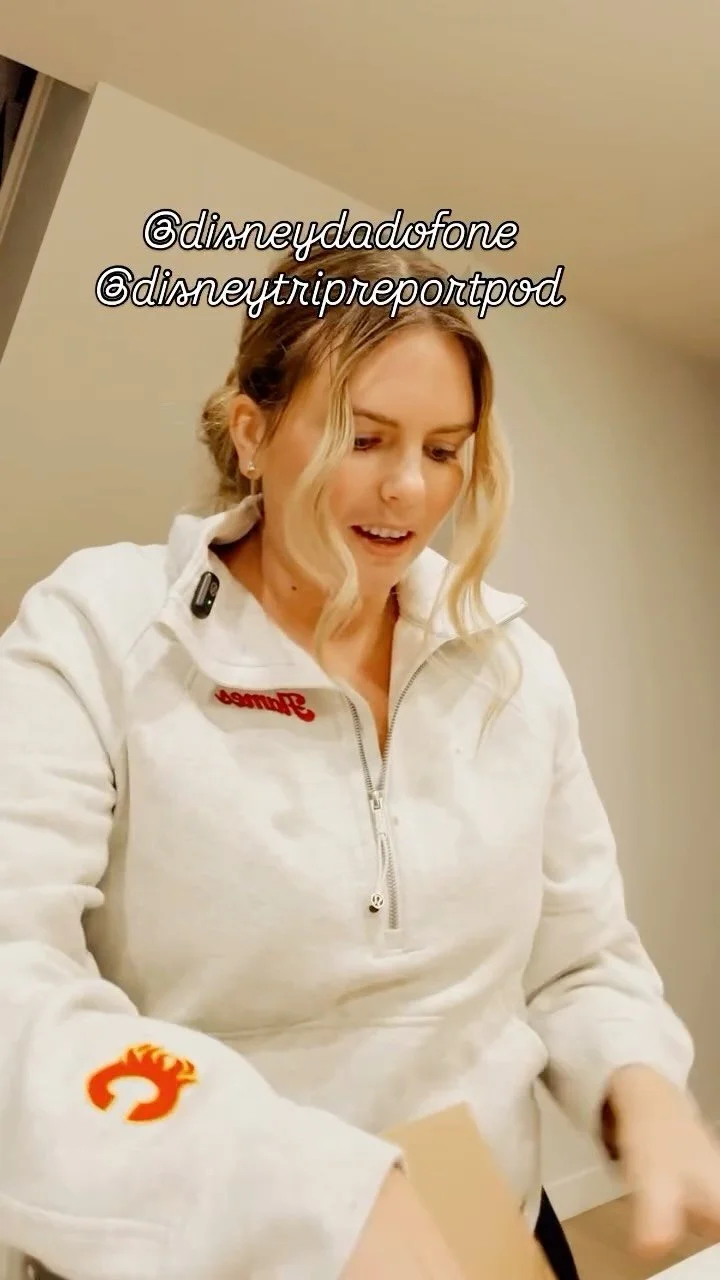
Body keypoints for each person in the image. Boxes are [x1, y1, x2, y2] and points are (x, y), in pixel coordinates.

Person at [1, 243, 719, 1280]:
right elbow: (17, 981)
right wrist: (330, 1201)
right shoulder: (100, 631)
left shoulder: (508, 665)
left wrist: (638, 1083)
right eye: (363, 437)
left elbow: (582, 959)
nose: (409, 489)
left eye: (445, 449)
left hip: (463, 1194)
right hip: (211, 1205)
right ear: (252, 432)